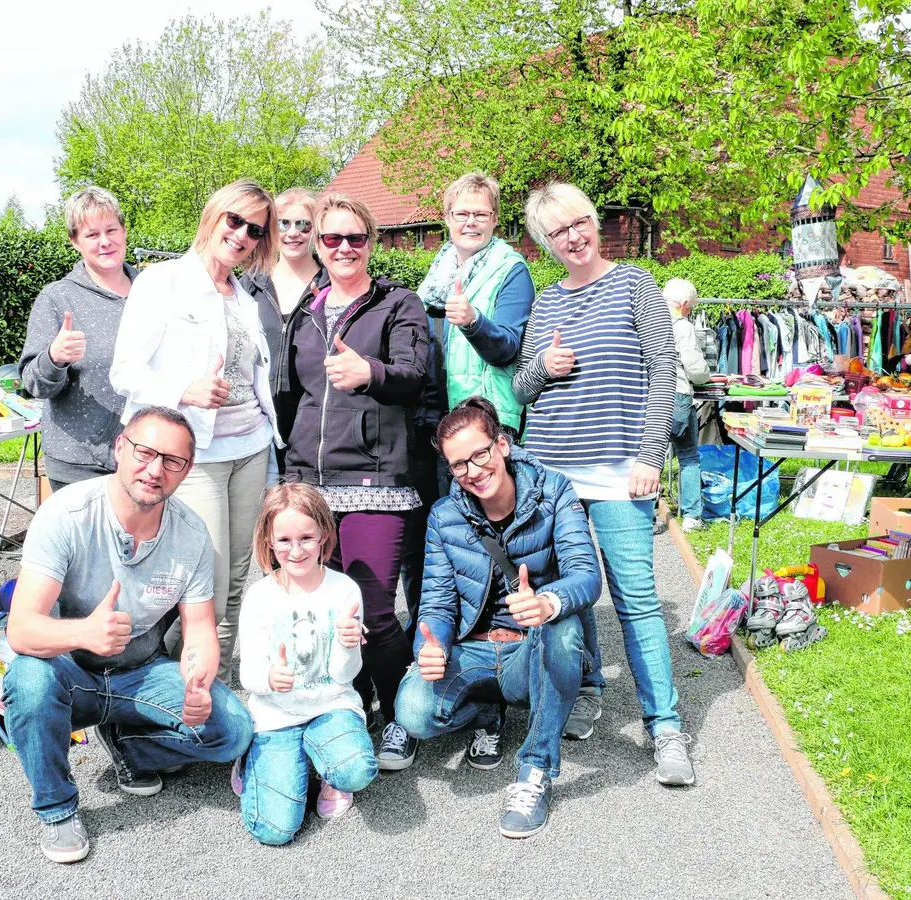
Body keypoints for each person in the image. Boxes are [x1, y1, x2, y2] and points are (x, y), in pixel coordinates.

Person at [2, 406, 254, 864]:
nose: (155, 470)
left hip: (141, 672)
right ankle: (58, 808)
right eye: (145, 452)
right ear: (120, 448)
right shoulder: (67, 514)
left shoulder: (191, 534)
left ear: (186, 470)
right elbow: (21, 629)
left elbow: (199, 629)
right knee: (28, 679)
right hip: (70, 673)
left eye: (172, 461)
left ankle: (128, 745)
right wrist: (84, 632)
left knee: (232, 732)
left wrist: (198, 680)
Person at [513, 182, 696, 786]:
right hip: (551, 470)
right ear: (546, 243)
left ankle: (664, 726)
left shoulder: (636, 284)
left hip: (621, 470)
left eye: (581, 222)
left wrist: (652, 455)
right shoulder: (545, 303)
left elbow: (662, 373)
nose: (574, 236)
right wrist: (546, 366)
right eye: (559, 231)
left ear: (596, 222)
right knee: (572, 591)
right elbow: (521, 390)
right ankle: (586, 688)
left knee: (637, 599)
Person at [395, 397, 600, 839]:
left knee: (563, 625)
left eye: (479, 454)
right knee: (412, 711)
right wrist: (428, 647)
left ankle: (535, 770)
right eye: (458, 465)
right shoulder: (445, 516)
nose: (472, 470)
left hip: (531, 648)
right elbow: (436, 602)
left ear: (502, 445)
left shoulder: (555, 492)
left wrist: (547, 602)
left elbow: (586, 575)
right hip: (474, 647)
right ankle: (488, 710)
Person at [110, 179, 283, 682]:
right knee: (204, 584)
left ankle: (216, 691)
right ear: (213, 216)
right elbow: (125, 372)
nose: (243, 235)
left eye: (255, 229)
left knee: (235, 581)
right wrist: (183, 389)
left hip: (250, 446)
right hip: (196, 454)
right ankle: (191, 698)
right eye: (235, 220)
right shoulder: (161, 282)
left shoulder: (244, 295)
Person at [283, 191, 430, 769]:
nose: (344, 248)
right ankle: (347, 704)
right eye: (331, 238)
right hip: (308, 483)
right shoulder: (303, 309)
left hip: (375, 481)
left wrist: (370, 371)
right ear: (317, 244)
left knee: (371, 611)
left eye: (356, 238)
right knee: (321, 614)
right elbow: (289, 394)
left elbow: (416, 376)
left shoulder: (397, 302)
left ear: (372, 242)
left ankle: (398, 715)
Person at [403, 172, 536, 623]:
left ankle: (508, 625)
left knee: (494, 531)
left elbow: (511, 347)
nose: (471, 222)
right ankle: (439, 631)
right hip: (435, 416)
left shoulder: (511, 270)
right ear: (447, 218)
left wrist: (475, 321)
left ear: (496, 219)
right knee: (442, 531)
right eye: (462, 213)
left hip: (483, 422)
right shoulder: (439, 271)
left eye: (481, 213)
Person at [233, 484, 377, 845]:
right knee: (274, 829)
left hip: (332, 706)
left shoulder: (344, 588)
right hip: (276, 717)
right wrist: (270, 677)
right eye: (284, 540)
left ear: (324, 536)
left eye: (306, 538)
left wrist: (347, 645)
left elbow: (346, 675)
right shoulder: (259, 596)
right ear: (268, 540)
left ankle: (325, 760)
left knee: (357, 771)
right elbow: (248, 675)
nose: (296, 550)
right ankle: (257, 759)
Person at [18, 186, 136, 492]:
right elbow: (34, 383)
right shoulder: (57, 298)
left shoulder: (152, 290)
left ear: (124, 230)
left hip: (146, 459)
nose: (105, 242)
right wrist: (54, 358)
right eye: (92, 235)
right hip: (82, 466)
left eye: (111, 230)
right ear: (75, 242)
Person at [239, 187, 329, 471]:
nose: (293, 233)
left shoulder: (332, 285)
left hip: (315, 427)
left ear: (315, 231)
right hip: (257, 425)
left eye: (303, 225)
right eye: (284, 223)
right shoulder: (248, 286)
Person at [664, 278, 711, 533]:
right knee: (689, 457)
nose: (690, 311)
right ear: (683, 304)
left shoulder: (650, 322)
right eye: (690, 307)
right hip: (679, 396)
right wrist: (708, 376)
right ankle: (692, 516)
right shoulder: (683, 326)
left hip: (653, 396)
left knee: (652, 457)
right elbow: (694, 368)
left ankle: (646, 514)